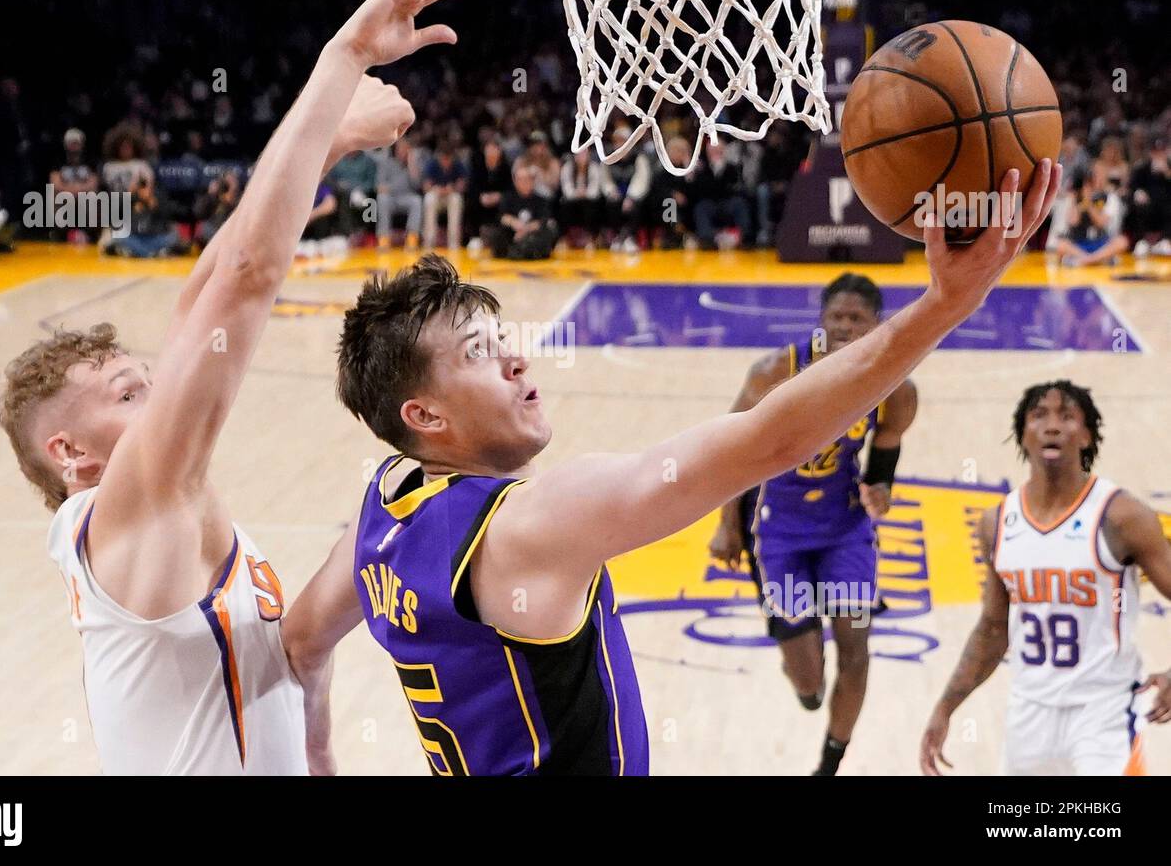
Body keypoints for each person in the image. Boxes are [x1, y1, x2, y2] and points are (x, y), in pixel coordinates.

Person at [281, 161, 1062, 776]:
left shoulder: (382, 509)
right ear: (426, 416)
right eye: (482, 353)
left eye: (503, 336)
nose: (518, 357)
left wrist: (317, 756)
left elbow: (303, 645)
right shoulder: (529, 526)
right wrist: (944, 307)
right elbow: (766, 442)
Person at [0, 0, 476, 775]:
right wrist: (344, 55)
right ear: (71, 453)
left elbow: (205, 295)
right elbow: (242, 287)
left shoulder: (158, 521)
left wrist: (333, 142)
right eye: (126, 393)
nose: (162, 390)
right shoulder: (130, 509)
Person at [709, 273, 917, 775]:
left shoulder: (896, 386)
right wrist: (726, 525)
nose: (845, 327)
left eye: (856, 319)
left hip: (844, 528)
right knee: (807, 679)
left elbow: (885, 452)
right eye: (837, 318)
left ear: (876, 326)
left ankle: (829, 763)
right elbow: (729, 447)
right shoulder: (774, 371)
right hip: (778, 529)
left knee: (856, 648)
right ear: (821, 322)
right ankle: (805, 676)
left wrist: (880, 488)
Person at [920, 381, 1171, 776]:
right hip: (1029, 714)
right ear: (1023, 434)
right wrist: (945, 707)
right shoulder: (998, 522)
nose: (1053, 426)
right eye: (1039, 416)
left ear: (1086, 435)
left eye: (1067, 416)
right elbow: (991, 629)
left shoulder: (1122, 516)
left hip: (1103, 713)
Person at [1055, 171, 1128, 267]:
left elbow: (1101, 223)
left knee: (1122, 242)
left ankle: (1088, 260)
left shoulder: (1108, 198)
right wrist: (1075, 199)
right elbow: (1073, 221)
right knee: (1061, 245)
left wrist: (1089, 203)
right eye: (1087, 185)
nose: (1090, 188)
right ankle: (1096, 260)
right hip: (1079, 243)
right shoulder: (1075, 199)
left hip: (1100, 243)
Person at [490, 164, 558, 260]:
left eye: (527, 179)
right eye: (520, 179)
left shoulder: (541, 200)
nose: (524, 182)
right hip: (513, 235)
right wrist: (514, 223)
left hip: (531, 235)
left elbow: (542, 221)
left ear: (532, 181)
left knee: (550, 231)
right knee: (496, 233)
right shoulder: (507, 198)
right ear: (515, 181)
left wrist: (525, 230)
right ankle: (517, 251)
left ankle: (524, 251)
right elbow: (502, 216)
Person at [375, 138, 423, 247]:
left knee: (417, 201)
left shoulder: (413, 165)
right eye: (401, 148)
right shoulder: (386, 163)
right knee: (382, 198)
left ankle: (412, 237)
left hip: (406, 198)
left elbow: (417, 186)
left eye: (406, 149)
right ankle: (384, 238)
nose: (403, 151)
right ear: (396, 149)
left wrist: (411, 164)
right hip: (390, 199)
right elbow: (380, 187)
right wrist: (393, 188)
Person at [1129, 135, 1171, 258]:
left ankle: (1166, 240)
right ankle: (1143, 242)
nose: (1158, 154)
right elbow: (1133, 187)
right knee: (1137, 207)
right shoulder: (1141, 169)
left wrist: (1167, 173)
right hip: (1147, 206)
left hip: (1167, 205)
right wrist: (1137, 192)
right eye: (1155, 151)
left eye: (1161, 151)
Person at [422, 141, 468, 249]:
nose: (445, 162)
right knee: (429, 199)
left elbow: (462, 184)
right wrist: (435, 189)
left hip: (450, 196)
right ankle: (429, 240)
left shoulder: (457, 164)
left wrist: (452, 188)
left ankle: (454, 242)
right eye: (443, 159)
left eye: (448, 159)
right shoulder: (432, 163)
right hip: (436, 195)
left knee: (456, 199)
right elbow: (426, 186)